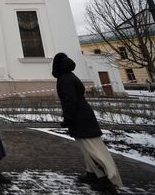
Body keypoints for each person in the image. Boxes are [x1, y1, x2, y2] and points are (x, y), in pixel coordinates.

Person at [52, 53, 122, 193]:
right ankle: (92, 174)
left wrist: (68, 118)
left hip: (80, 118)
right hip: (82, 115)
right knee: (87, 148)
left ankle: (107, 179)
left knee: (93, 149)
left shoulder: (65, 79)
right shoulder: (70, 76)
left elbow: (70, 100)